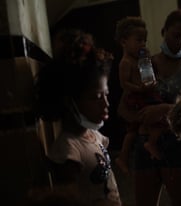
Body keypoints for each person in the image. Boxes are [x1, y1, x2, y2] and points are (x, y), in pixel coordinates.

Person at [35, 30, 122, 206]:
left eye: (106, 95)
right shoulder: (68, 149)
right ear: (70, 102)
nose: (106, 104)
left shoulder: (94, 136)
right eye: (96, 97)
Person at [131, 9, 181, 206]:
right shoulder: (147, 64)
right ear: (163, 31)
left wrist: (165, 108)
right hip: (146, 140)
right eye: (176, 35)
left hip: (179, 143)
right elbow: (134, 99)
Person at [114, 16, 165, 175]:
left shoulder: (141, 58)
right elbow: (124, 84)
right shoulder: (126, 62)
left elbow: (150, 74)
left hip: (146, 93)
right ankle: (124, 156)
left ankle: (148, 144)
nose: (143, 44)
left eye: (144, 40)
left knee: (142, 127)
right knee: (135, 129)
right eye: (138, 40)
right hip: (135, 97)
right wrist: (139, 89)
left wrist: (148, 61)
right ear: (124, 42)